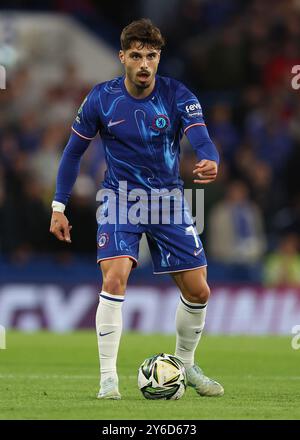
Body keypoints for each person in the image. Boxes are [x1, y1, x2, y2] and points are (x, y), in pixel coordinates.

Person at [50, 18, 224, 399]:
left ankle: (187, 364)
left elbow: (202, 139)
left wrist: (210, 159)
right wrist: (58, 205)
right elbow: (72, 153)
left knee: (199, 291)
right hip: (119, 200)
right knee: (113, 281)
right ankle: (108, 379)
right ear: (122, 57)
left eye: (151, 55)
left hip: (169, 202)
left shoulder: (178, 95)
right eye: (136, 56)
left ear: (159, 58)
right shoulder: (101, 97)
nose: (144, 64)